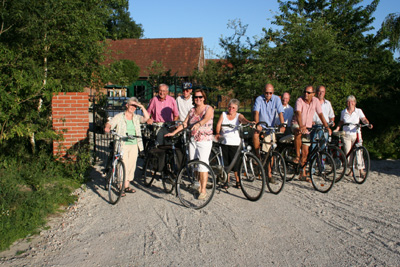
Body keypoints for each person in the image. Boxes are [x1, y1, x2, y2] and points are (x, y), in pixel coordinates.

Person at [165, 89, 214, 200]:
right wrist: (173, 132)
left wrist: (198, 124)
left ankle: (203, 190)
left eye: (200, 97)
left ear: (204, 98)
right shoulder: (192, 110)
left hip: (204, 140)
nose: (198, 99)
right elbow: (185, 123)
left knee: (202, 164)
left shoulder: (208, 108)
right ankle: (197, 183)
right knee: (193, 163)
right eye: (196, 97)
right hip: (193, 140)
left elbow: (207, 118)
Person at [104, 97, 149, 195]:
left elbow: (146, 118)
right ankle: (121, 187)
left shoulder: (136, 117)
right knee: (123, 164)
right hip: (123, 144)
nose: (133, 107)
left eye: (134, 106)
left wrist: (141, 106)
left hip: (134, 144)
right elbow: (110, 123)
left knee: (131, 166)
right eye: (131, 105)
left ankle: (126, 186)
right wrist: (107, 127)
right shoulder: (119, 116)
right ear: (127, 105)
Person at [292, 85, 331, 181]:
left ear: (313, 94)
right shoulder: (299, 100)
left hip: (308, 127)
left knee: (305, 152)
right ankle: (297, 155)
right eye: (305, 92)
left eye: (308, 92)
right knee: (298, 132)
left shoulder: (315, 101)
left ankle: (303, 174)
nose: (306, 94)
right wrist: (301, 126)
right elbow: (298, 113)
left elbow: (320, 114)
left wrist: (326, 127)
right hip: (297, 124)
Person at [215, 99, 254, 189]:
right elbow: (218, 124)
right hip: (224, 142)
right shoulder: (223, 114)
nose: (231, 109)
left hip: (235, 143)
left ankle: (238, 180)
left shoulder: (238, 116)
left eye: (233, 107)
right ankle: (226, 181)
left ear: (236, 109)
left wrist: (249, 123)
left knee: (235, 163)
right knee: (225, 162)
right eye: (229, 107)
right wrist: (217, 133)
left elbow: (243, 119)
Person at [334, 95, 373, 176]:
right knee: (348, 152)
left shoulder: (358, 111)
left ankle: (361, 170)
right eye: (348, 101)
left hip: (356, 133)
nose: (350, 103)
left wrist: (368, 124)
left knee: (359, 151)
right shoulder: (343, 112)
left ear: (355, 103)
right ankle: (351, 169)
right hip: (346, 134)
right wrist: (337, 129)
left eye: (352, 101)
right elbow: (341, 122)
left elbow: (363, 119)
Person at [253, 83, 285, 158]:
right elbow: (256, 112)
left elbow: (280, 112)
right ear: (263, 91)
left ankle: (270, 169)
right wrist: (257, 124)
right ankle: (257, 156)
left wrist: (282, 124)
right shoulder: (259, 99)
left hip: (270, 127)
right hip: (261, 124)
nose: (268, 94)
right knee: (255, 134)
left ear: (273, 92)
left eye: (270, 93)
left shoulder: (276, 99)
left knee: (271, 150)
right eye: (266, 93)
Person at [311, 85, 335, 150]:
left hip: (325, 127)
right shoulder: (312, 102)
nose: (321, 93)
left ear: (325, 93)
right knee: (314, 147)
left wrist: (332, 122)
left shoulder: (328, 103)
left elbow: (332, 116)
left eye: (322, 91)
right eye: (319, 91)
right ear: (316, 92)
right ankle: (314, 160)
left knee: (324, 147)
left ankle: (323, 160)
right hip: (315, 127)